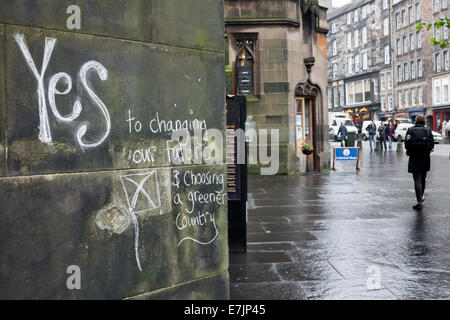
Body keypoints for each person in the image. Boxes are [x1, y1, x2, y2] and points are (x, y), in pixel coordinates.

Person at [405, 115, 434, 210]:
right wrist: (428, 151)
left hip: (414, 157)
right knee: (423, 178)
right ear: (424, 121)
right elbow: (431, 143)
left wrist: (410, 152)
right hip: (425, 157)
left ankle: (419, 201)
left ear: (416, 121)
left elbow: (407, 143)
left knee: (417, 179)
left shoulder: (410, 130)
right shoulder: (428, 130)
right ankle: (421, 196)